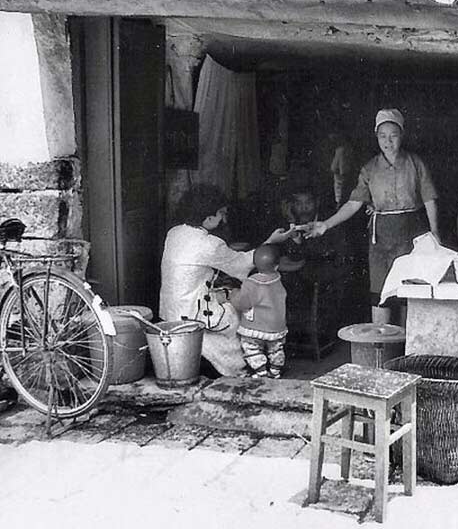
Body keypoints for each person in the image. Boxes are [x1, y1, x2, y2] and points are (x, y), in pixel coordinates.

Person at [304, 108, 439, 325]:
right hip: (381, 239)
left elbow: (429, 198)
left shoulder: (415, 163)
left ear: (402, 135)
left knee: (408, 292)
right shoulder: (370, 169)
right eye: (382, 136)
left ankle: (407, 345)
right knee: (380, 294)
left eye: (393, 135)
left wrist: (435, 232)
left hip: (411, 235)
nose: (388, 141)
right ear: (376, 137)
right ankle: (381, 344)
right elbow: (353, 203)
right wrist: (326, 225)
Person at [159, 184, 297, 376]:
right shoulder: (209, 244)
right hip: (193, 313)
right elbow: (241, 264)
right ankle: (244, 365)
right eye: (221, 214)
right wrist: (271, 242)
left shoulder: (174, 233)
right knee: (240, 309)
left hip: (170, 310)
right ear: (208, 217)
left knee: (228, 292)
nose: (224, 218)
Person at [230, 244, 288, 379]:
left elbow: (243, 303)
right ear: (276, 266)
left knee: (251, 347)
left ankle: (261, 372)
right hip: (276, 326)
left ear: (254, 265)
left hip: (256, 326)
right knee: (276, 349)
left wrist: (233, 295)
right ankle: (275, 372)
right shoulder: (277, 278)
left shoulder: (251, 283)